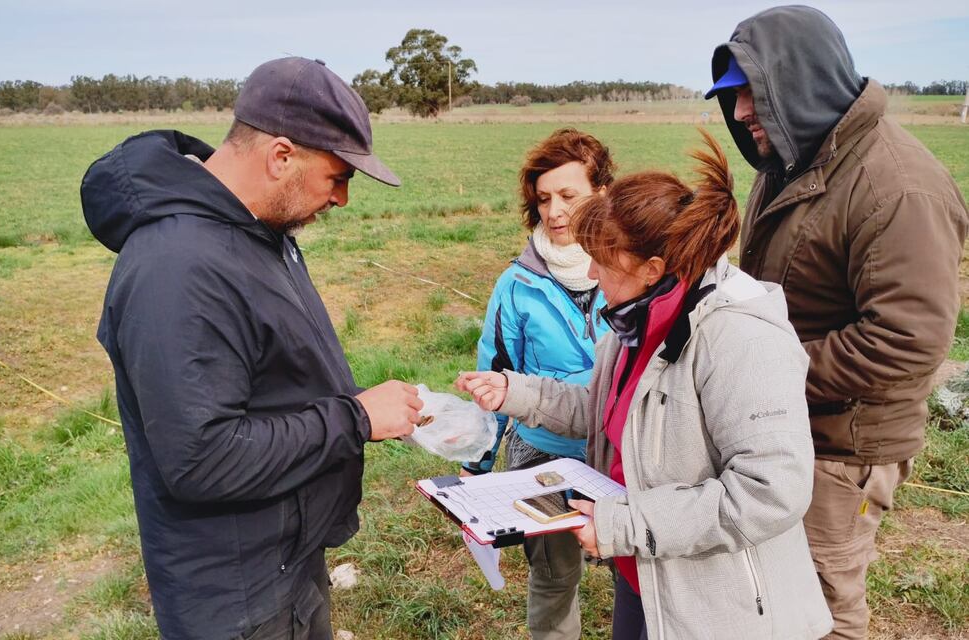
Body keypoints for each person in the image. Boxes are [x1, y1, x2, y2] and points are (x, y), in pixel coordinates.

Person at [80, 57, 424, 640]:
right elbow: (202, 459)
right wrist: (356, 418)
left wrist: (358, 408)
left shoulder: (259, 232)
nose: (341, 199)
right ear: (281, 157)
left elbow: (273, 382)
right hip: (236, 592)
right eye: (338, 176)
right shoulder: (179, 267)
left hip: (288, 552)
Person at [457, 131, 834, 640]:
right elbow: (605, 410)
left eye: (603, 261)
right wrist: (516, 393)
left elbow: (770, 491)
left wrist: (622, 524)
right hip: (647, 574)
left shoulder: (738, 336)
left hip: (718, 604)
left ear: (652, 269)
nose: (591, 271)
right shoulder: (634, 325)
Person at [704, 7, 969, 638]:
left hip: (845, 446)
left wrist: (768, 372)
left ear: (802, 83)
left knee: (824, 595)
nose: (740, 113)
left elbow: (906, 341)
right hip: (790, 421)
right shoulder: (795, 162)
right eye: (733, 97)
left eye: (750, 94)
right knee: (773, 580)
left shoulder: (898, 189)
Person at [461, 128, 613, 639]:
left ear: (602, 194)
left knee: (641, 572)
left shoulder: (632, 270)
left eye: (569, 196)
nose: (555, 211)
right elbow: (495, 375)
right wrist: (476, 465)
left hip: (622, 453)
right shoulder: (515, 287)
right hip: (544, 460)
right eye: (544, 199)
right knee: (554, 577)